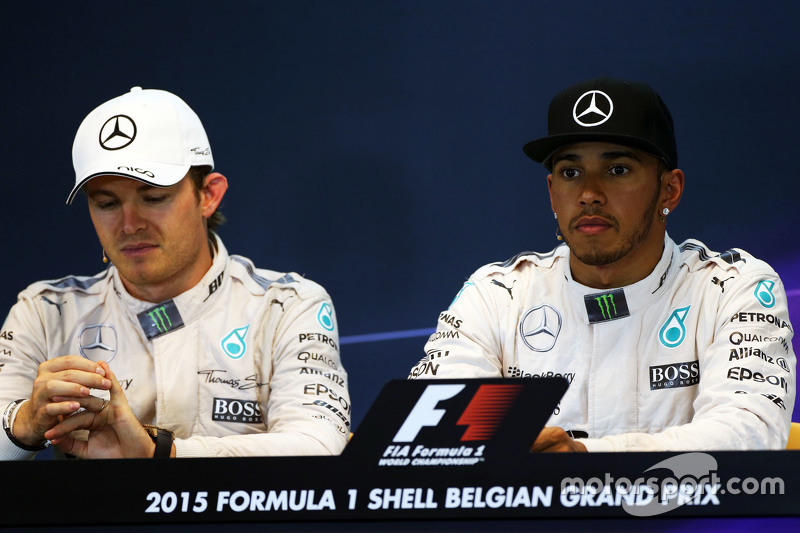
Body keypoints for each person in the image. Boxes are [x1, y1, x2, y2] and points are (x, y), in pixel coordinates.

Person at [409, 77, 795, 452]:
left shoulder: (733, 288)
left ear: (669, 190)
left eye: (618, 170)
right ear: (551, 194)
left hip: (680, 519)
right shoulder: (497, 296)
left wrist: (583, 460)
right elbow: (432, 436)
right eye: (570, 172)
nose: (589, 194)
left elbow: (748, 434)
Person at [0, 87, 350, 459]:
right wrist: (23, 425)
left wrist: (159, 454)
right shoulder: (44, 311)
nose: (129, 224)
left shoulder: (287, 305)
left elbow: (319, 446)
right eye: (106, 203)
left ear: (208, 195)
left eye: (153, 198)